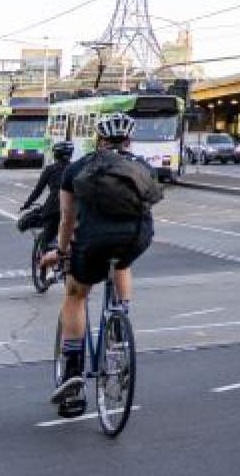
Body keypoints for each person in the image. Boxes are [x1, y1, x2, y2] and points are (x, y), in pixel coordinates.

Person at [47, 113, 161, 417]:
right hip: (136, 238)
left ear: (98, 139)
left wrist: (61, 252)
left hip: (93, 240)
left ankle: (73, 372)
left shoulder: (77, 168)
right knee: (121, 261)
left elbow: (67, 219)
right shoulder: (143, 166)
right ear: (129, 140)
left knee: (75, 294)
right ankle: (120, 321)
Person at [20, 139, 76, 259]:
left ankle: (46, 263)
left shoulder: (50, 169)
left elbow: (38, 190)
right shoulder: (75, 168)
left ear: (56, 155)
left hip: (53, 208)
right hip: (74, 207)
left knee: (46, 239)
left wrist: (26, 204)